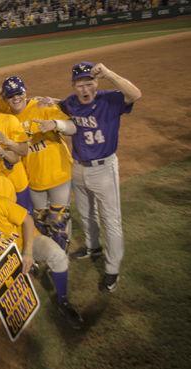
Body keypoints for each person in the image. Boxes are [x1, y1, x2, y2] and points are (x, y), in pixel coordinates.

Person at [0, 180, 83, 328]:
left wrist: (27, 252)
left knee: (58, 255)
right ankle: (27, 271)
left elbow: (27, 220)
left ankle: (63, 301)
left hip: (25, 241)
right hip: (4, 258)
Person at [59, 62, 141, 292]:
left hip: (104, 169)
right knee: (86, 214)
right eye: (79, 84)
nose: (85, 89)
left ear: (96, 83)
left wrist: (108, 74)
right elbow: (59, 106)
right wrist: (46, 101)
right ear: (73, 86)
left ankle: (112, 270)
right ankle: (92, 247)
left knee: (111, 221)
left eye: (89, 83)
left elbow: (136, 94)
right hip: (79, 167)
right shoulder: (71, 102)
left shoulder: (110, 99)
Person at [1, 75, 77, 250]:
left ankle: (60, 261)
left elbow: (73, 127)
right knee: (41, 222)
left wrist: (55, 124)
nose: (16, 98)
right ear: (6, 99)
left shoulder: (42, 106)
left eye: (19, 93)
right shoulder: (8, 120)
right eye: (11, 96)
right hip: (33, 180)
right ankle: (50, 254)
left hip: (58, 173)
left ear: (25, 92)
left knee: (58, 220)